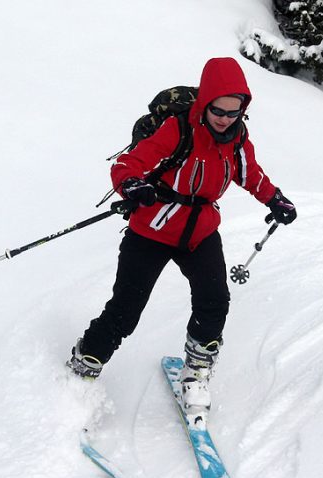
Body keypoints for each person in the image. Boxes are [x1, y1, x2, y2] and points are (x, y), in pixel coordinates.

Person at [68, 57, 297, 415]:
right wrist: (132, 184)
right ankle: (84, 366)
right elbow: (130, 163)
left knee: (214, 300)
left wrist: (275, 198)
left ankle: (196, 373)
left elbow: (250, 174)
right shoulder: (178, 129)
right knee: (126, 309)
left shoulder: (237, 140)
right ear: (204, 103)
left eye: (233, 112)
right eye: (217, 110)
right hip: (152, 229)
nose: (224, 118)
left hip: (199, 231)